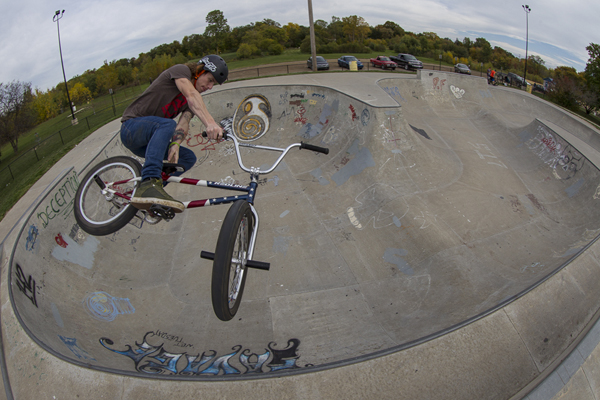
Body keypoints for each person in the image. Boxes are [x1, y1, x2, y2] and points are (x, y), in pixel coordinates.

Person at [120, 55, 228, 213]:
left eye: (213, 84)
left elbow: (183, 124)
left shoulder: (189, 105)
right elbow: (191, 95)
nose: (210, 86)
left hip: (149, 143)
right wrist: (210, 123)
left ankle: (150, 195)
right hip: (131, 128)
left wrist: (175, 145)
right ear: (200, 71)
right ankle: (149, 181)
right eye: (210, 80)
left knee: (187, 158)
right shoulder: (181, 71)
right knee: (167, 124)